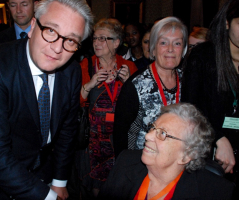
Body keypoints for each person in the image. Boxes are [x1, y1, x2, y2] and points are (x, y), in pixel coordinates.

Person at [0, 0, 94, 200]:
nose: (57, 48)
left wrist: (59, 181)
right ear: (33, 26)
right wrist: (48, 197)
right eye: (51, 31)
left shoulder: (71, 71)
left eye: (71, 40)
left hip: (41, 172)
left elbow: (67, 130)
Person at [98, 103, 234, 200]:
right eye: (152, 128)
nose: (148, 136)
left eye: (162, 133)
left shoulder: (218, 193)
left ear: (186, 155)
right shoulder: (125, 162)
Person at [181, 0, 239, 199]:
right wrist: (218, 138)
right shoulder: (203, 56)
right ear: (227, 23)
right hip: (209, 154)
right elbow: (189, 108)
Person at [77, 18, 137, 198]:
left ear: (117, 42)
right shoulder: (86, 65)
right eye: (95, 38)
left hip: (119, 138)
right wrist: (90, 84)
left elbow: (138, 106)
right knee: (95, 185)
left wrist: (129, 85)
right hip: (94, 139)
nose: (97, 42)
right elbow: (75, 102)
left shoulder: (129, 67)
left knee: (117, 183)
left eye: (103, 38)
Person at [113, 16, 188, 158]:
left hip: (180, 163)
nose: (170, 49)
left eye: (177, 43)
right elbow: (122, 135)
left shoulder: (189, 81)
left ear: (183, 49)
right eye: (164, 43)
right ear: (153, 49)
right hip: (144, 166)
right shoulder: (135, 85)